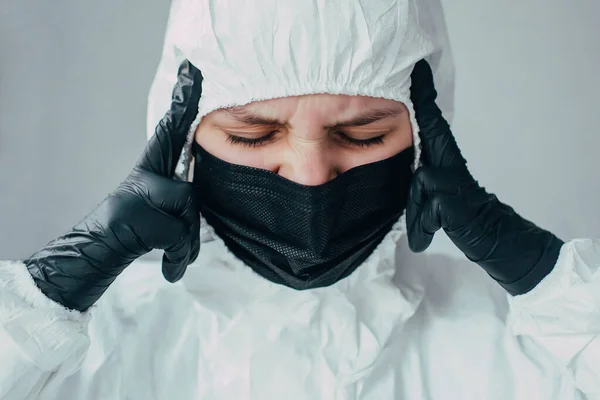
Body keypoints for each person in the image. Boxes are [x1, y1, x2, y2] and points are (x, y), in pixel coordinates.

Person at [1, 0, 598, 399]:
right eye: (252, 134)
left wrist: (547, 279)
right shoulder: (87, 351)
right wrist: (48, 294)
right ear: (182, 140)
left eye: (362, 134)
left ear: (424, 136)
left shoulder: (516, 347)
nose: (311, 177)